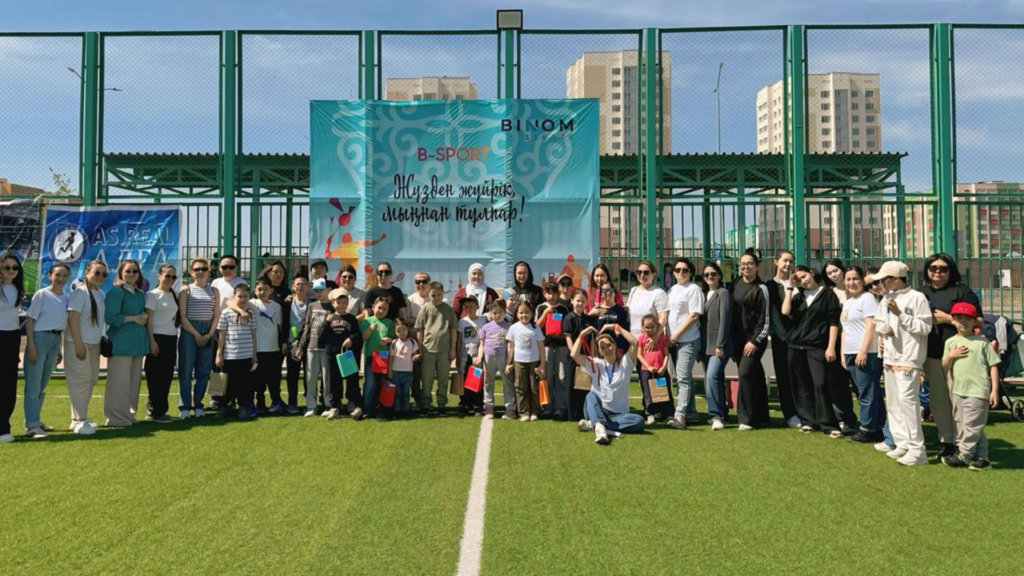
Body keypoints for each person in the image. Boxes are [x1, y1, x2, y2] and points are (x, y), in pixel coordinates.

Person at [920, 253, 983, 461]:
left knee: (960, 401)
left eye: (943, 268)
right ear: (927, 270)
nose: (938, 272)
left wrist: (948, 318)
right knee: (939, 401)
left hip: (960, 354)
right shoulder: (922, 293)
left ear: (951, 271)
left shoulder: (962, 291)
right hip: (932, 354)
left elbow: (979, 321)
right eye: (933, 268)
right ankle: (947, 440)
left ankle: (963, 443)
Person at [873, 260, 933, 466]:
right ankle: (902, 443)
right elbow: (878, 322)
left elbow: (925, 327)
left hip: (909, 357)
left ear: (896, 279)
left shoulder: (917, 297)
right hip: (890, 357)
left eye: (884, 279)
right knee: (894, 403)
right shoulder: (887, 298)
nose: (880, 283)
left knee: (908, 403)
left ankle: (918, 450)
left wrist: (900, 314)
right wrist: (884, 329)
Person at [782, 266, 845, 438]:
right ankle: (808, 421)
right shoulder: (798, 296)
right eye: (799, 279)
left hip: (817, 346)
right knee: (801, 385)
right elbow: (785, 311)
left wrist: (831, 347)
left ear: (811, 273)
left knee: (820, 383)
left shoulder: (828, 294)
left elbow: (833, 322)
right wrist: (790, 287)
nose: (803, 281)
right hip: (795, 346)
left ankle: (829, 424)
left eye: (804, 276)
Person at [941, 302, 998, 470]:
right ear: (953, 320)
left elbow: (993, 367)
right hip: (958, 390)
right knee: (969, 425)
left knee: (972, 426)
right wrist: (951, 356)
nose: (963, 322)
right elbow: (945, 366)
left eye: (968, 318)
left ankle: (963, 456)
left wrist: (994, 391)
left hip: (978, 390)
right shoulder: (951, 342)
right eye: (959, 318)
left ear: (974, 322)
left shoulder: (982, 343)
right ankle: (982, 457)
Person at [571, 324, 645, 444]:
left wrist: (617, 327)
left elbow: (635, 342)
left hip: (619, 416)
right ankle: (600, 428)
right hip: (598, 410)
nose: (607, 349)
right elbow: (574, 355)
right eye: (602, 347)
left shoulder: (626, 363)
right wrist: (582, 334)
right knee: (590, 396)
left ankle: (595, 424)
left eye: (609, 345)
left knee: (639, 421)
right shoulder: (596, 364)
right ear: (599, 351)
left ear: (615, 345)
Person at [23, 262, 70, 438]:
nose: (61, 278)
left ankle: (36, 420)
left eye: (64, 275)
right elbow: (30, 321)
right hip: (39, 339)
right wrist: (31, 346)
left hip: (55, 340)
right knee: (33, 385)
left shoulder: (66, 297)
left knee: (42, 384)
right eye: (57, 275)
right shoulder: (42, 294)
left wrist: (59, 349)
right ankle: (32, 426)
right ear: (50, 275)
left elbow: (60, 324)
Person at [841, 266, 886, 444]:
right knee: (866, 391)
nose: (851, 282)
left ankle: (867, 429)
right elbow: (845, 329)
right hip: (850, 351)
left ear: (862, 280)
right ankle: (879, 426)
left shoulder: (867, 299)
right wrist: (843, 353)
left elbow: (871, 327)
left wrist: (863, 351)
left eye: (855, 279)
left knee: (867, 392)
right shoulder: (849, 301)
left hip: (866, 353)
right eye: (848, 279)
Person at [729, 249, 771, 430]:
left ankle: (745, 419)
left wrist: (754, 341)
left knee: (745, 373)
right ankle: (761, 415)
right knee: (755, 374)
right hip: (737, 340)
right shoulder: (735, 283)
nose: (746, 266)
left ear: (757, 266)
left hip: (754, 340)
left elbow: (765, 319)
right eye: (743, 263)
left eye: (750, 263)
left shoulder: (762, 288)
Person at [104, 260, 148, 427]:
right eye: (128, 271)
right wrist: (134, 318)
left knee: (133, 383)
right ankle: (115, 417)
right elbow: (110, 318)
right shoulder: (116, 292)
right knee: (119, 383)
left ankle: (129, 415)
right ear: (121, 273)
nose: (131, 274)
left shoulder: (140, 293)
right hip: (121, 343)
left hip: (137, 344)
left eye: (134, 271)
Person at [65, 260, 107, 436]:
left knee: (91, 379)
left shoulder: (101, 293)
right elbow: (72, 319)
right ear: (87, 272)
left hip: (94, 344)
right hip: (78, 344)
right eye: (97, 273)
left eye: (104, 274)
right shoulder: (79, 293)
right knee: (81, 381)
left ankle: (77, 417)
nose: (100, 277)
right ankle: (80, 420)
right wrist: (78, 344)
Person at [177, 258, 220, 418]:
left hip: (207, 330)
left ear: (208, 271)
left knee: (203, 371)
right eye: (197, 269)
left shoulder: (214, 291)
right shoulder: (186, 290)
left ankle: (198, 406)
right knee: (186, 370)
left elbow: (216, 315)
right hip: (189, 331)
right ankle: (185, 408)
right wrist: (197, 334)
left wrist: (208, 334)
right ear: (191, 272)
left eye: (203, 269)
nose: (200, 272)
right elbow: (182, 317)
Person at [666, 258, 702, 428]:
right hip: (673, 341)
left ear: (691, 272)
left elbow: (694, 315)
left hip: (687, 340)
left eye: (685, 270)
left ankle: (680, 415)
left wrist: (676, 334)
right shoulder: (672, 290)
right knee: (685, 377)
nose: (681, 272)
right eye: (678, 269)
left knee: (682, 379)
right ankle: (691, 413)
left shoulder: (694, 289)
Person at [765, 250, 799, 428]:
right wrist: (783, 336)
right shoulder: (770, 286)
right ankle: (790, 413)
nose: (788, 264)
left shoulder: (799, 283)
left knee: (800, 377)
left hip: (801, 338)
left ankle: (805, 411)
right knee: (784, 377)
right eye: (785, 260)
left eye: (791, 261)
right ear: (776, 262)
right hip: (783, 339)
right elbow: (774, 315)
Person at [215, 284, 258, 419]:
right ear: (234, 296)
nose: (243, 299)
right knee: (227, 383)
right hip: (229, 355)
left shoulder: (251, 314)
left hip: (246, 355)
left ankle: (243, 407)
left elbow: (254, 335)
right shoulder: (226, 313)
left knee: (244, 383)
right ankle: (224, 407)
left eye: (246, 296)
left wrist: (254, 354)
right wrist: (219, 353)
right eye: (240, 296)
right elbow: (221, 335)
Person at [294, 278, 335, 418]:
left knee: (326, 378)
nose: (319, 293)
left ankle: (328, 405)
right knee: (310, 378)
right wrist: (301, 346)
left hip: (326, 348)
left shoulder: (333, 306)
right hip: (311, 347)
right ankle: (311, 406)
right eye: (316, 290)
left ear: (328, 290)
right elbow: (307, 327)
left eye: (321, 290)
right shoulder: (311, 306)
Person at [144, 264, 179, 423]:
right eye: (167, 276)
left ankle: (160, 410)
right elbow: (149, 320)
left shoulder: (173, 294)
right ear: (159, 276)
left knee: (166, 376)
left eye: (173, 277)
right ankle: (155, 410)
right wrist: (152, 341)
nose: (170, 279)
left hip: (171, 338)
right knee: (155, 376)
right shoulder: (152, 295)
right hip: (157, 338)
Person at [414, 282, 456, 415]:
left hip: (444, 351)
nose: (436, 297)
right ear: (428, 294)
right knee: (427, 379)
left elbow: (453, 330)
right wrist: (420, 348)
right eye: (433, 295)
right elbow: (419, 330)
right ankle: (426, 404)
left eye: (439, 295)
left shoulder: (448, 310)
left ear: (443, 294)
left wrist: (453, 349)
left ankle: (441, 404)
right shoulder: (425, 308)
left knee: (443, 379)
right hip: (428, 351)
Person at [700, 262, 732, 430]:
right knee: (713, 379)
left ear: (719, 275)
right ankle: (722, 413)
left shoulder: (723, 293)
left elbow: (725, 320)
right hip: (705, 344)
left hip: (718, 345)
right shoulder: (704, 294)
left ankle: (715, 415)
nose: (710, 277)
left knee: (712, 377)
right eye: (706, 275)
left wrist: (720, 344)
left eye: (713, 274)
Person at [321, 288, 362, 420]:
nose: (341, 305)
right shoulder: (329, 318)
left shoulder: (351, 319)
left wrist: (351, 339)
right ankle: (334, 406)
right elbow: (321, 337)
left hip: (347, 355)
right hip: (332, 354)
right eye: (338, 302)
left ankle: (352, 403)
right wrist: (327, 322)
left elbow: (357, 335)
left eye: (344, 302)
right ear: (333, 303)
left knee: (352, 379)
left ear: (347, 303)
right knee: (334, 381)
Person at [505, 301, 545, 421]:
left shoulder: (536, 328)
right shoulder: (513, 328)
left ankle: (535, 411)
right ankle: (524, 412)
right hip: (519, 362)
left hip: (534, 362)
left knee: (534, 387)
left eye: (527, 312)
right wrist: (508, 363)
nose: (524, 315)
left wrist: (542, 364)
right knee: (521, 387)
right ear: (517, 314)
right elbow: (510, 347)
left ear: (532, 314)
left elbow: (541, 347)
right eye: (521, 313)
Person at [251, 277, 286, 413]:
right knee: (258, 380)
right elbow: (231, 302)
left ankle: (276, 402)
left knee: (273, 379)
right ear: (255, 291)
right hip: (258, 350)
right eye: (259, 289)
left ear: (271, 290)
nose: (262, 292)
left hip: (273, 349)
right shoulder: (251, 304)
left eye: (265, 289)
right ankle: (260, 403)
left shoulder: (277, 306)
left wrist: (283, 342)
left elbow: (280, 327)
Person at [537, 282, 571, 419]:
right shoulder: (541, 307)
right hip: (546, 346)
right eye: (548, 293)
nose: (551, 296)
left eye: (554, 293)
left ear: (558, 294)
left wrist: (562, 334)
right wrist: (546, 313)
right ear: (544, 294)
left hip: (562, 346)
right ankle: (546, 407)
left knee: (561, 376)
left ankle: (560, 407)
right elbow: (536, 327)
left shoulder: (563, 308)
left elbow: (567, 328)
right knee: (546, 377)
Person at [0, 252, 24, 444]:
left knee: (8, 384)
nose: (11, 270)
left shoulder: (18, 289)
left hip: (12, 337)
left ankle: (4, 426)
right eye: (6, 267)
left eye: (14, 267)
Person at [561, 289, 594, 421]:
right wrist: (574, 355)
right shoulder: (568, 318)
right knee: (572, 385)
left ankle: (584, 412)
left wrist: (592, 356)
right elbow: (568, 337)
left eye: (583, 301)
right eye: (578, 301)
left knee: (585, 384)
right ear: (572, 301)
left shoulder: (588, 319)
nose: (580, 304)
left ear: (586, 302)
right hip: (573, 357)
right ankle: (572, 414)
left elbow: (592, 339)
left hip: (586, 357)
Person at [476, 299, 511, 420]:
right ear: (490, 313)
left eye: (500, 312)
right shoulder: (485, 327)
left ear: (505, 312)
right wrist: (479, 357)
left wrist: (509, 362)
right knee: (488, 382)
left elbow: (511, 346)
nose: (497, 315)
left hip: (503, 358)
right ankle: (489, 407)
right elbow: (482, 344)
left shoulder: (509, 327)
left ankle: (510, 408)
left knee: (507, 382)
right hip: (488, 357)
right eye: (494, 312)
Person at [362, 295, 396, 418]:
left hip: (383, 358)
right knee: (370, 384)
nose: (381, 311)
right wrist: (370, 329)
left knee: (382, 383)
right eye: (379, 308)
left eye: (385, 309)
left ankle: (381, 409)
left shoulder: (389, 322)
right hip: (371, 357)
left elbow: (393, 338)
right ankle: (367, 409)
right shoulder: (367, 321)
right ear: (373, 307)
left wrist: (388, 340)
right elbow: (364, 338)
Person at [638, 314, 672, 425]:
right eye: (647, 327)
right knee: (648, 394)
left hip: (660, 371)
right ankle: (650, 414)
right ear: (643, 327)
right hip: (646, 371)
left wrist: (663, 367)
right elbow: (639, 355)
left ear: (657, 326)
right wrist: (648, 367)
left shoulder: (662, 338)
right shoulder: (641, 338)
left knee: (663, 393)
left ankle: (667, 415)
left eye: (652, 327)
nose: (649, 329)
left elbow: (666, 354)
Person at [457, 297, 487, 416]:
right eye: (466, 307)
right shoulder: (462, 321)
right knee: (464, 379)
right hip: (464, 354)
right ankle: (464, 403)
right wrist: (457, 356)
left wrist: (480, 356)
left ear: (477, 306)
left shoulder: (482, 321)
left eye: (471, 306)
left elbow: (483, 340)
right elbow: (459, 340)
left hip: (476, 353)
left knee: (476, 379)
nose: (469, 309)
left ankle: (477, 405)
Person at [625, 259, 668, 341]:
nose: (642, 275)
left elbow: (663, 318)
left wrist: (655, 337)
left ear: (653, 274)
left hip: (649, 340)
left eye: (646, 272)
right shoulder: (633, 290)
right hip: (633, 339)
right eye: (639, 272)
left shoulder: (659, 293)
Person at [406, 271, 431, 410]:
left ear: (429, 283)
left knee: (428, 372)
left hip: (431, 339)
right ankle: (416, 398)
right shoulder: (410, 300)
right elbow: (407, 319)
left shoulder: (434, 298)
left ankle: (427, 399)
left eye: (424, 281)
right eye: (417, 282)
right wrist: (423, 322)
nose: (421, 284)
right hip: (414, 339)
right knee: (415, 371)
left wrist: (418, 322)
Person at [285, 274, 310, 414]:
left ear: (309, 286)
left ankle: (309, 403)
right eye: (298, 284)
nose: (300, 287)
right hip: (292, 344)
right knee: (292, 375)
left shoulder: (312, 303)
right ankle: (292, 403)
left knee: (309, 375)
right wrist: (284, 342)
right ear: (293, 286)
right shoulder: (287, 302)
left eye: (303, 284)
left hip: (308, 344)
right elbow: (283, 324)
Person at [389, 322, 420, 417]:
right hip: (395, 371)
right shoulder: (394, 343)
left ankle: (406, 410)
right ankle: (397, 410)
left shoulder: (412, 342)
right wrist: (389, 371)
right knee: (397, 393)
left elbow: (414, 354)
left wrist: (415, 357)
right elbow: (391, 358)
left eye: (403, 330)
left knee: (406, 392)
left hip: (407, 372)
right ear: (395, 332)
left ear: (407, 329)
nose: (401, 332)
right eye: (398, 331)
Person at [591, 281, 630, 352]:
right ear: (601, 294)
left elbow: (625, 331)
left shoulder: (621, 310)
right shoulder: (596, 310)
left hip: (618, 349)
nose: (608, 293)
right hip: (601, 349)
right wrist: (589, 314)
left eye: (611, 290)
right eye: (605, 291)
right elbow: (590, 331)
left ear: (615, 293)